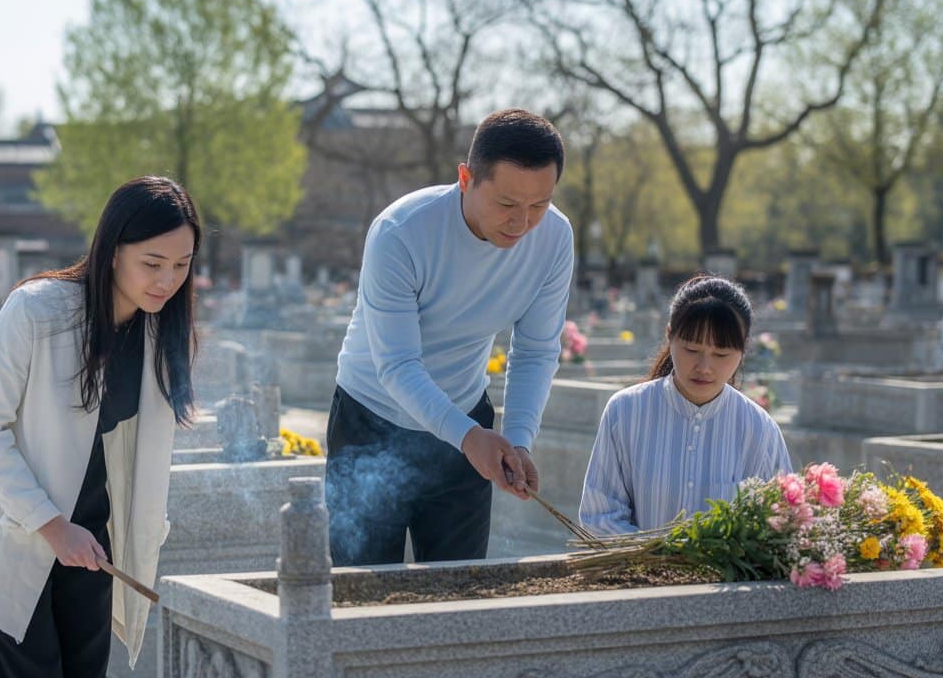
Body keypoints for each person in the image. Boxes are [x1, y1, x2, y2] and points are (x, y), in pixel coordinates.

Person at [0, 176, 200, 675]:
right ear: (113, 252)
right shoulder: (36, 310)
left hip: (90, 544)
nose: (167, 280)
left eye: (182, 265)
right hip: (14, 532)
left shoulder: (159, 332)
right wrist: (51, 526)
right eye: (152, 263)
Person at [326, 108, 574, 566]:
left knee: (459, 589)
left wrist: (518, 439)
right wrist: (468, 437)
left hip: (467, 418)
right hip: (371, 419)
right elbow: (398, 364)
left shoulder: (555, 238)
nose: (521, 223)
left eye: (539, 205)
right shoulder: (400, 232)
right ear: (465, 178)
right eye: (506, 204)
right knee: (361, 592)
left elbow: (536, 351)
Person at [579, 275, 793, 536]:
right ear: (670, 335)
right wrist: (656, 556)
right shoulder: (625, 412)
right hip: (635, 564)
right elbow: (599, 516)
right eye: (691, 349)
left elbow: (779, 526)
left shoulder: (760, 430)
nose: (704, 367)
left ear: (743, 349)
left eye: (721, 354)